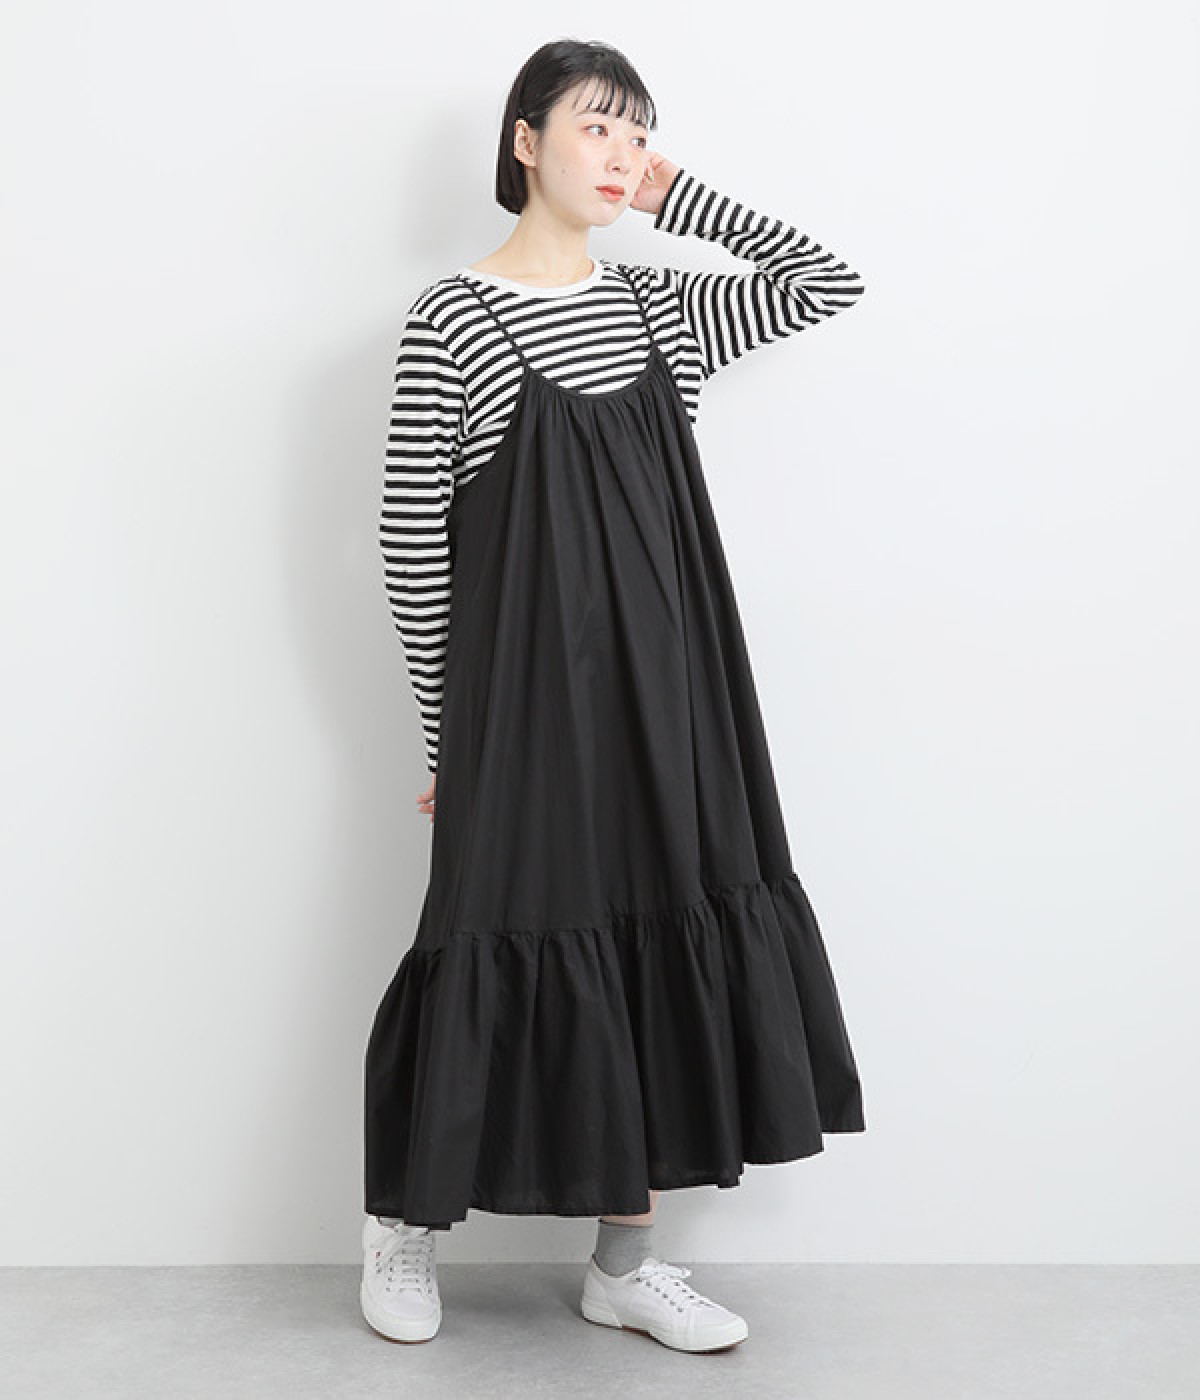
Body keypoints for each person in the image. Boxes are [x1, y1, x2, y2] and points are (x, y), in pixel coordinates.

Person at [361, 37, 868, 1353]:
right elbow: (413, 548)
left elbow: (825, 280)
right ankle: (402, 1223)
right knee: (478, 933)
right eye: (597, 125)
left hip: (671, 690)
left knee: (649, 942)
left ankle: (625, 1264)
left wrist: (677, 196)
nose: (622, 150)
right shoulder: (454, 318)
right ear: (525, 140)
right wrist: (448, 736)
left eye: (639, 131)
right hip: (522, 709)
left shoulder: (656, 310)